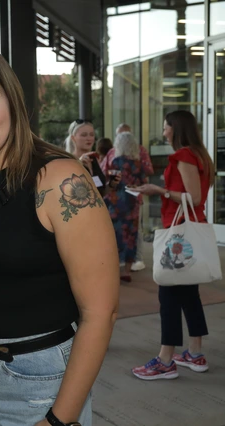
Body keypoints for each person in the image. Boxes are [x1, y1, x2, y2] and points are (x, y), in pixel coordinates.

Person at [0, 43, 119, 426]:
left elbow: (101, 312)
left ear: (13, 102)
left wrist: (58, 420)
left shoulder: (59, 179)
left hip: (34, 382)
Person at [131, 110, 213, 380]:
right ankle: (194, 352)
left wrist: (159, 191)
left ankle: (166, 360)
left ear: (175, 128)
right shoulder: (200, 155)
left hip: (178, 233)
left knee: (168, 294)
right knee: (189, 294)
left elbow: (195, 197)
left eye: (166, 127)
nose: (163, 131)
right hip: (190, 228)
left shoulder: (183, 156)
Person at [101, 123, 154, 272]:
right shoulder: (138, 162)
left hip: (116, 200)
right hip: (133, 200)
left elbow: (108, 179)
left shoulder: (114, 160)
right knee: (132, 233)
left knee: (115, 232)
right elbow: (145, 178)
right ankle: (129, 267)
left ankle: (115, 266)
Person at [64, 120, 108, 196]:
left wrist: (111, 185)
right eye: (84, 135)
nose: (89, 138)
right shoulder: (68, 160)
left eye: (92, 134)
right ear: (73, 138)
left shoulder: (93, 158)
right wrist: (79, 164)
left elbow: (100, 192)